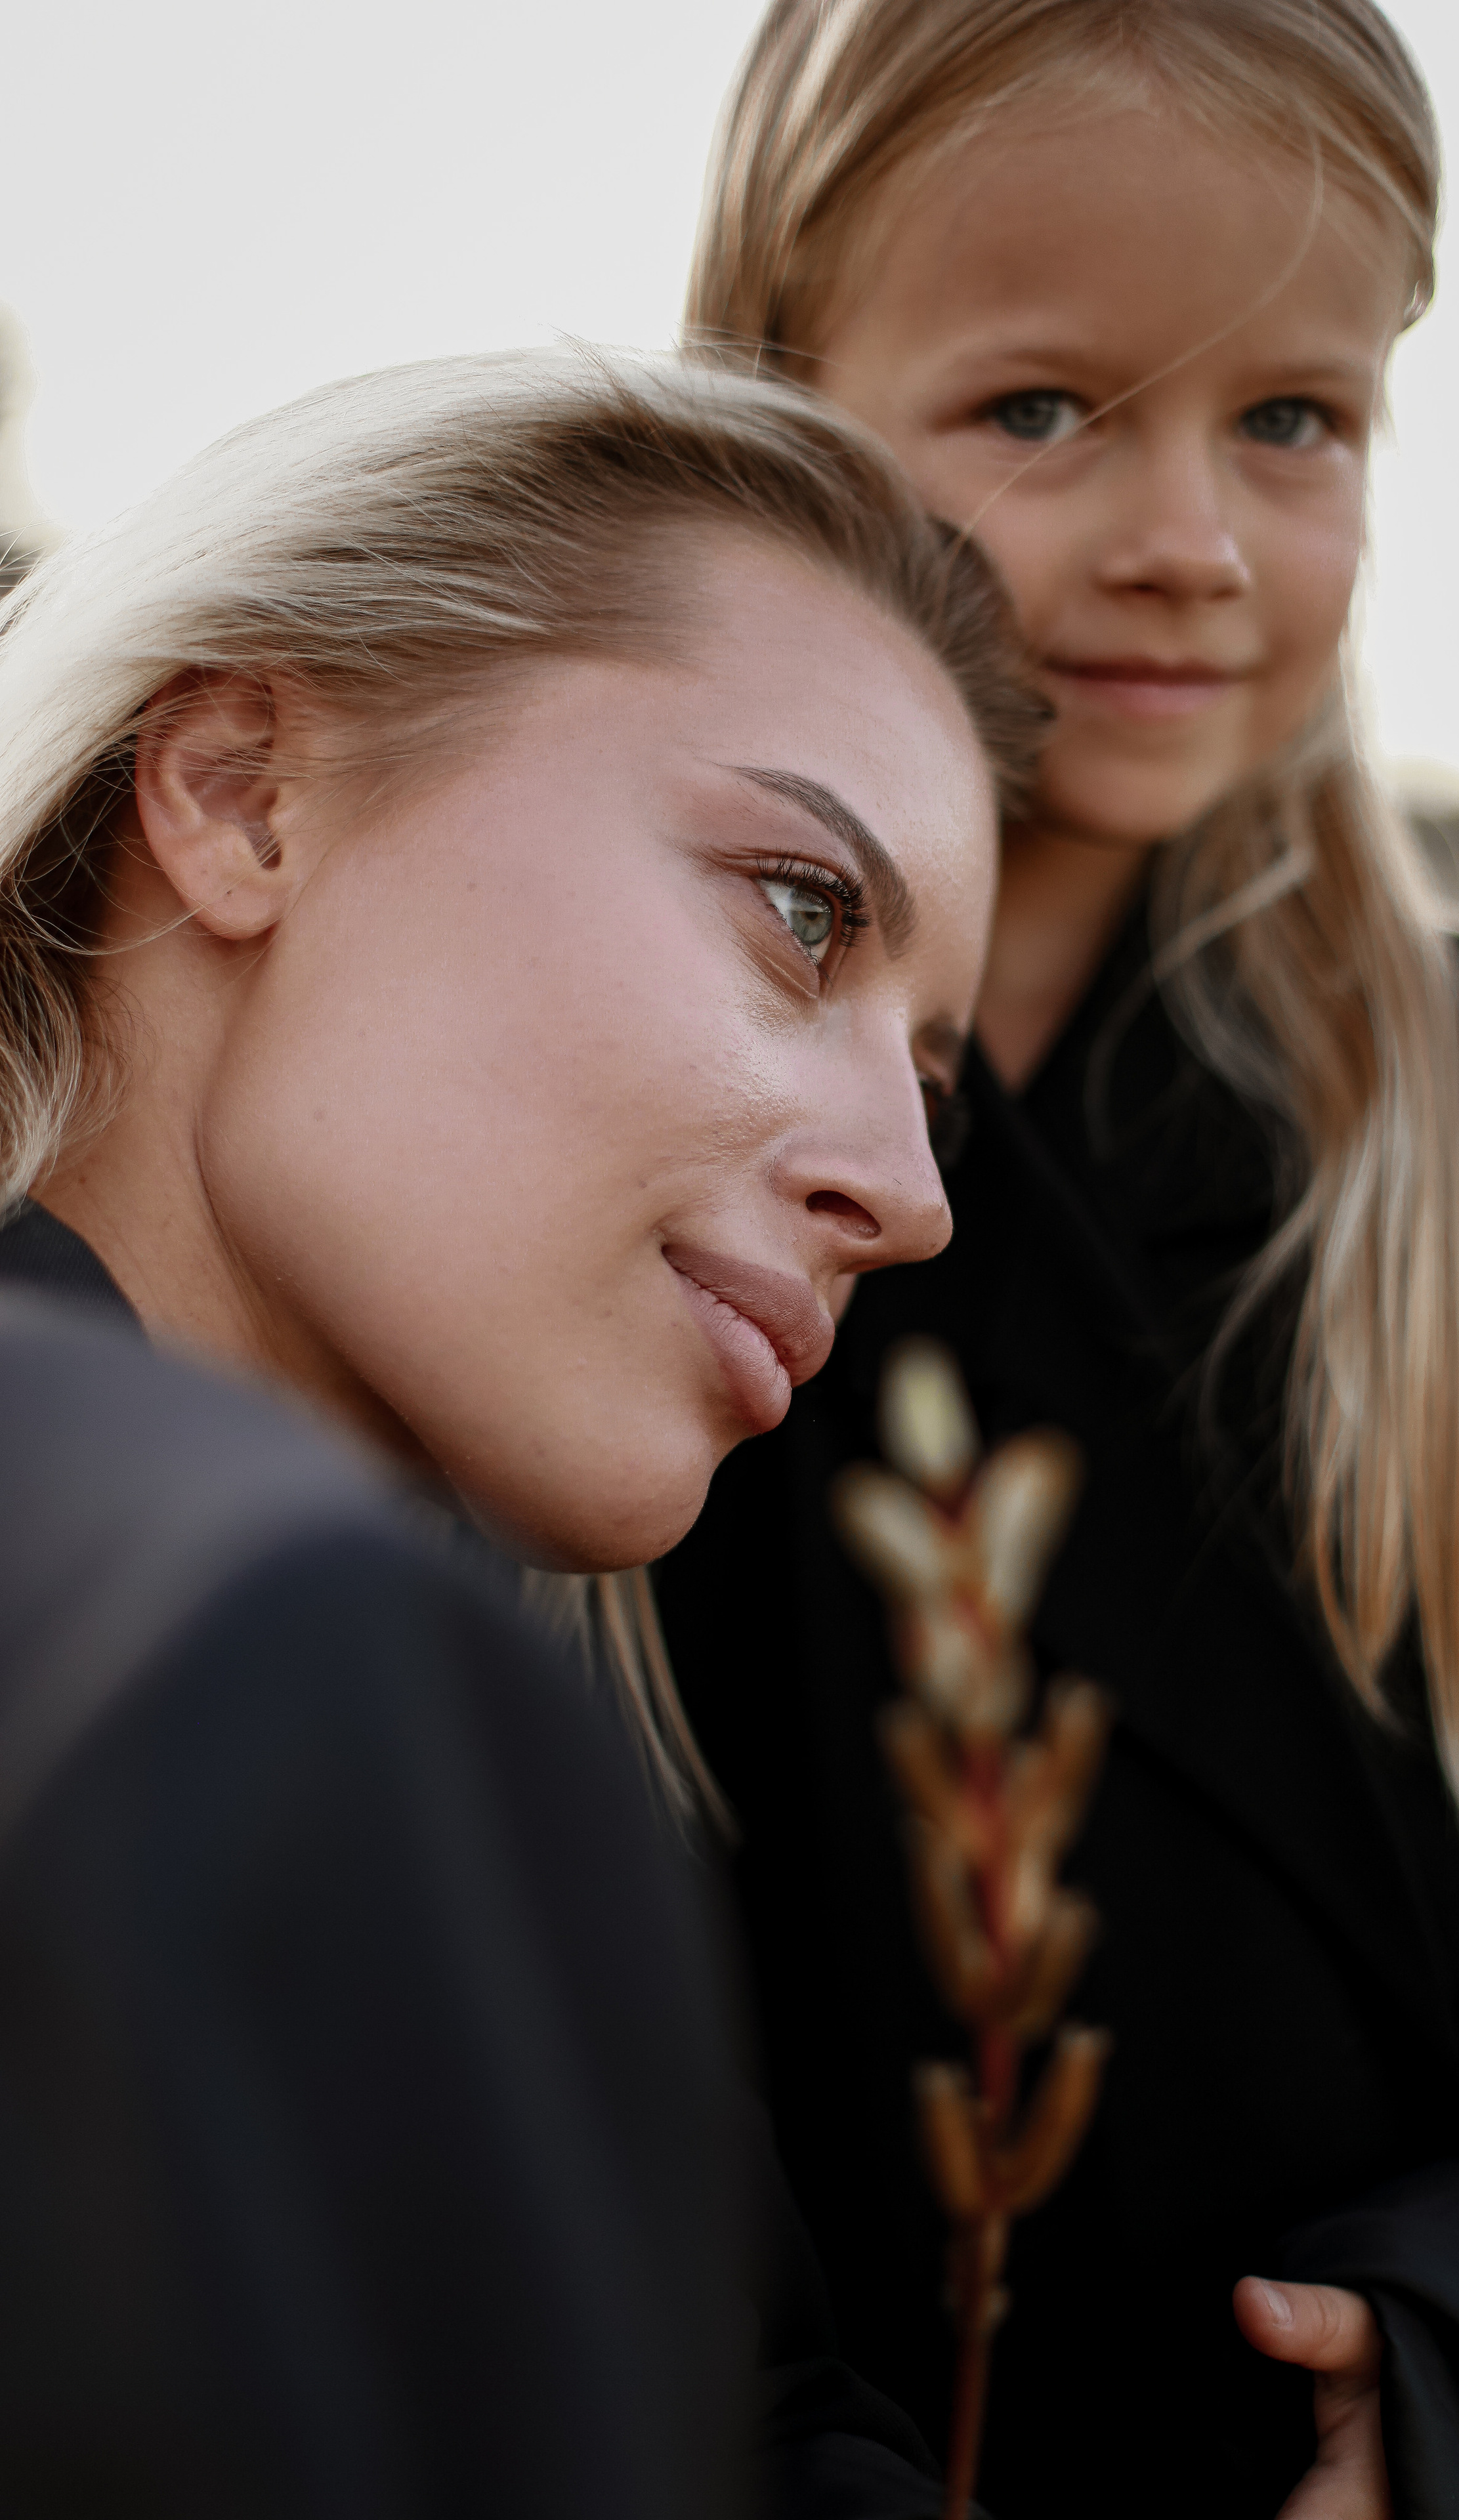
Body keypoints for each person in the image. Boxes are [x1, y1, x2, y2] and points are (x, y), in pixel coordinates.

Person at [658, 5, 1459, 2514]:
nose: (1190, 543)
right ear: (789, 400)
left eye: (1293, 425)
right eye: (1042, 410)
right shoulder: (597, 1114)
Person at [0, 346, 1042, 2515]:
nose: (914, 1193)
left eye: (931, 1080)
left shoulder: (465, 1726)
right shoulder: (244, 1675)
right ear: (244, 796)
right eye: (800, 910)